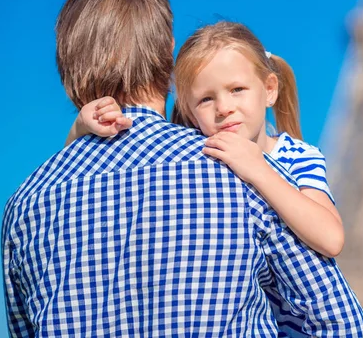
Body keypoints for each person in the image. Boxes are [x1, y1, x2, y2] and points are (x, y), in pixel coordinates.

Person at [2, 0, 363, 337]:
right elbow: (342, 325)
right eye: (209, 98)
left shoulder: (25, 205)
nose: (224, 108)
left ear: (67, 67)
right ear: (169, 58)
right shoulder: (236, 170)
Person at [71, 21, 344, 259]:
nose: (223, 107)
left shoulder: (299, 156)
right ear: (190, 113)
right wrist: (80, 128)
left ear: (270, 89)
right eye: (206, 99)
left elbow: (331, 239)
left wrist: (259, 170)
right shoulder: (195, 157)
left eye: (237, 89)